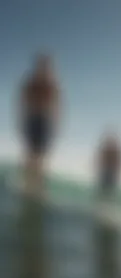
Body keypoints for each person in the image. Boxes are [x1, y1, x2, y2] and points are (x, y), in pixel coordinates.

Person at [19, 53, 60, 195]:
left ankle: (39, 187)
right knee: (30, 153)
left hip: (45, 121)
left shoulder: (52, 84)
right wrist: (22, 120)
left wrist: (56, 125)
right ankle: (26, 183)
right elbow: (22, 102)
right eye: (41, 65)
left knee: (41, 155)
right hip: (32, 119)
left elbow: (57, 107)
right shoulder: (31, 83)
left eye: (46, 65)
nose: (44, 68)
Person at [97, 131, 121, 200]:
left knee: (110, 189)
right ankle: (103, 199)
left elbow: (119, 162)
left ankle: (106, 200)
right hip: (107, 171)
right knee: (104, 189)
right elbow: (101, 159)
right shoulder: (109, 149)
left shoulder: (114, 150)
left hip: (111, 172)